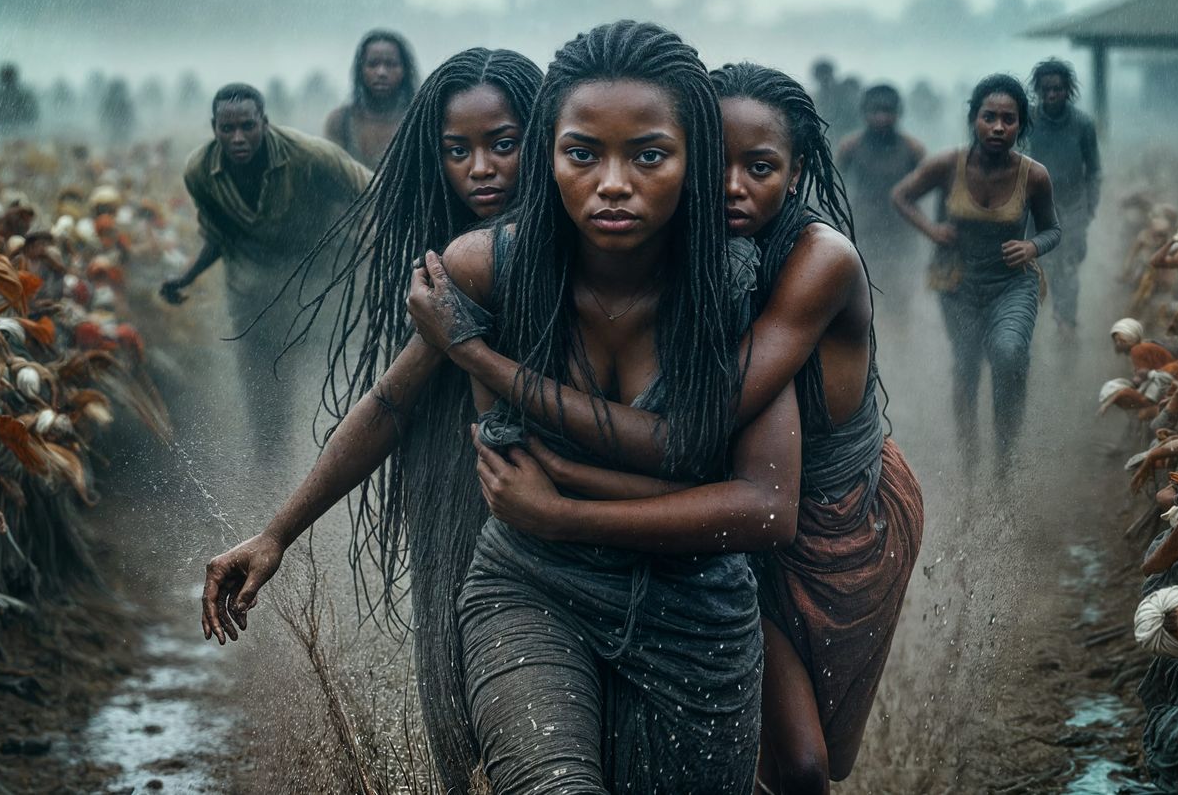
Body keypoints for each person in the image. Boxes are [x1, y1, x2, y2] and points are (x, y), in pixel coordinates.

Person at [408, 61, 925, 790]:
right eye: (717, 162)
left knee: (809, 764)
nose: (732, 187)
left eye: (762, 167)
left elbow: (684, 439)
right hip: (728, 508)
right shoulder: (694, 253)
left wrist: (482, 368)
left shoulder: (812, 262)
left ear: (800, 169)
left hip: (833, 519)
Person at [197, 49, 542, 793]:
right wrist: (277, 532)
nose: (480, 167)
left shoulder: (583, 245)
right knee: (460, 709)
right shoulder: (454, 263)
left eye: (503, 144)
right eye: (457, 151)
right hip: (457, 492)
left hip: (562, 512)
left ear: (541, 139)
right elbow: (390, 403)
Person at [161, 83, 370, 462]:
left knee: (326, 373)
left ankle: (336, 459)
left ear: (265, 123)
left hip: (316, 278)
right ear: (214, 128)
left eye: (247, 126)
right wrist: (186, 277)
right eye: (228, 129)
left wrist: (370, 238)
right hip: (252, 290)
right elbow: (218, 235)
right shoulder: (200, 172)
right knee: (263, 386)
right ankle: (271, 468)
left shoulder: (309, 155)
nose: (238, 138)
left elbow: (372, 191)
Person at [892, 74, 1060, 472]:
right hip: (958, 284)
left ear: (1021, 125)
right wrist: (932, 230)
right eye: (989, 117)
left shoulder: (1033, 175)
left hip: (1012, 283)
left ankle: (1005, 456)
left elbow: (1053, 229)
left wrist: (1032, 246)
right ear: (973, 119)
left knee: (1007, 352)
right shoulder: (948, 164)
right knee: (966, 368)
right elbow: (901, 196)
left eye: (1009, 119)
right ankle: (970, 460)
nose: (999, 127)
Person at [1026, 58, 1101, 338]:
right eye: (1046, 89)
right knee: (1033, 268)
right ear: (1039, 90)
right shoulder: (1028, 121)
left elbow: (1093, 170)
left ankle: (1066, 324)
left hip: (1072, 207)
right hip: (1034, 207)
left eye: (1057, 89)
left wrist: (1090, 207)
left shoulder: (1082, 124)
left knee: (1067, 268)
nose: (1052, 94)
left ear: (1067, 90)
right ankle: (1030, 326)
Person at [836, 83, 926, 285]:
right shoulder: (850, 147)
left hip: (901, 224)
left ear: (898, 113)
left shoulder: (913, 150)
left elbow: (923, 189)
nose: (882, 118)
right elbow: (836, 186)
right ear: (864, 112)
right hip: (864, 222)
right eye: (875, 111)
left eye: (888, 111)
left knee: (902, 282)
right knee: (865, 279)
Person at [324, 30, 418, 169]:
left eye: (391, 64)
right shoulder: (341, 122)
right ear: (360, 70)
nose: (381, 72)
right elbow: (330, 174)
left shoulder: (418, 120)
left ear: (404, 70)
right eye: (373, 64)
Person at [0, 63, 39, 134]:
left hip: (0, 136)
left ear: (0, 79)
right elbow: (34, 120)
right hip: (22, 135)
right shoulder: (25, 96)